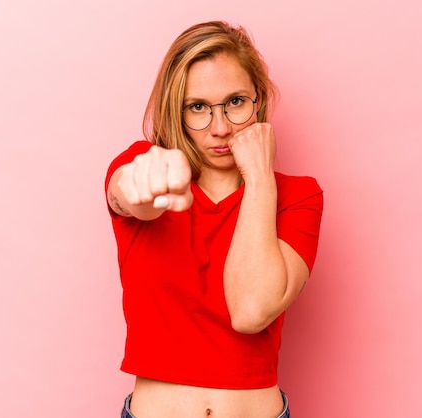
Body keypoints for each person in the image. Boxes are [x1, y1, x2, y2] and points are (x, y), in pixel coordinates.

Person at [105, 21, 323, 418]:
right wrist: (142, 184)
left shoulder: (299, 197)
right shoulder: (147, 166)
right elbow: (129, 194)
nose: (220, 128)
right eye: (198, 107)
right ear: (177, 109)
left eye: (236, 101)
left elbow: (250, 311)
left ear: (258, 99)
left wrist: (259, 177)